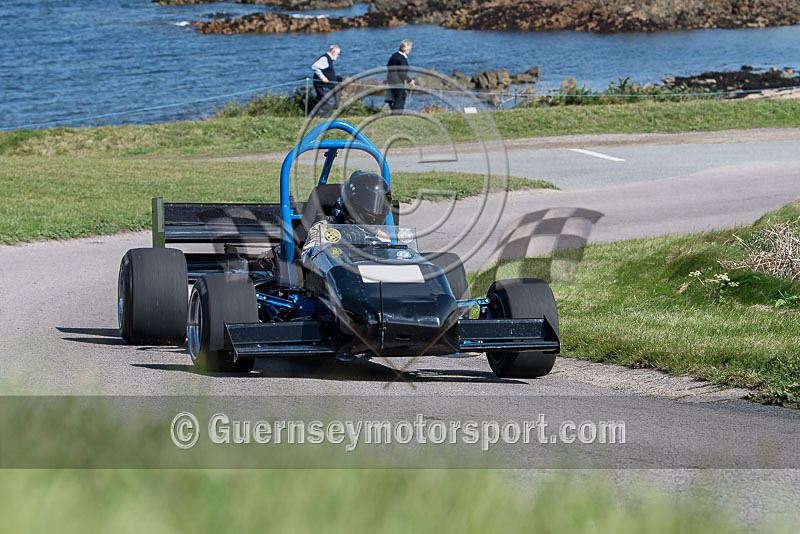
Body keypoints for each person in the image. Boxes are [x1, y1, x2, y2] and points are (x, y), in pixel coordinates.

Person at [302, 171, 392, 258]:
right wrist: (341, 243)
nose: (375, 212)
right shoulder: (324, 230)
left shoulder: (382, 236)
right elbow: (308, 257)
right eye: (371, 203)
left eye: (381, 205)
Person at [310, 45, 342, 117]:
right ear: (333, 52)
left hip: (327, 85)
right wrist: (322, 77)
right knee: (330, 102)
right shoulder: (325, 58)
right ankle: (315, 117)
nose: (338, 56)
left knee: (329, 102)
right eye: (338, 54)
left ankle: (325, 118)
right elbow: (314, 66)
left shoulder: (329, 59)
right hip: (322, 85)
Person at [386, 40, 415, 113]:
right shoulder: (402, 59)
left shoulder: (394, 55)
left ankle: (394, 112)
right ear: (406, 50)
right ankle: (396, 114)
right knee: (400, 98)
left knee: (394, 97)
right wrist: (410, 81)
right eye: (409, 49)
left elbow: (388, 66)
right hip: (397, 81)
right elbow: (402, 73)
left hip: (390, 79)